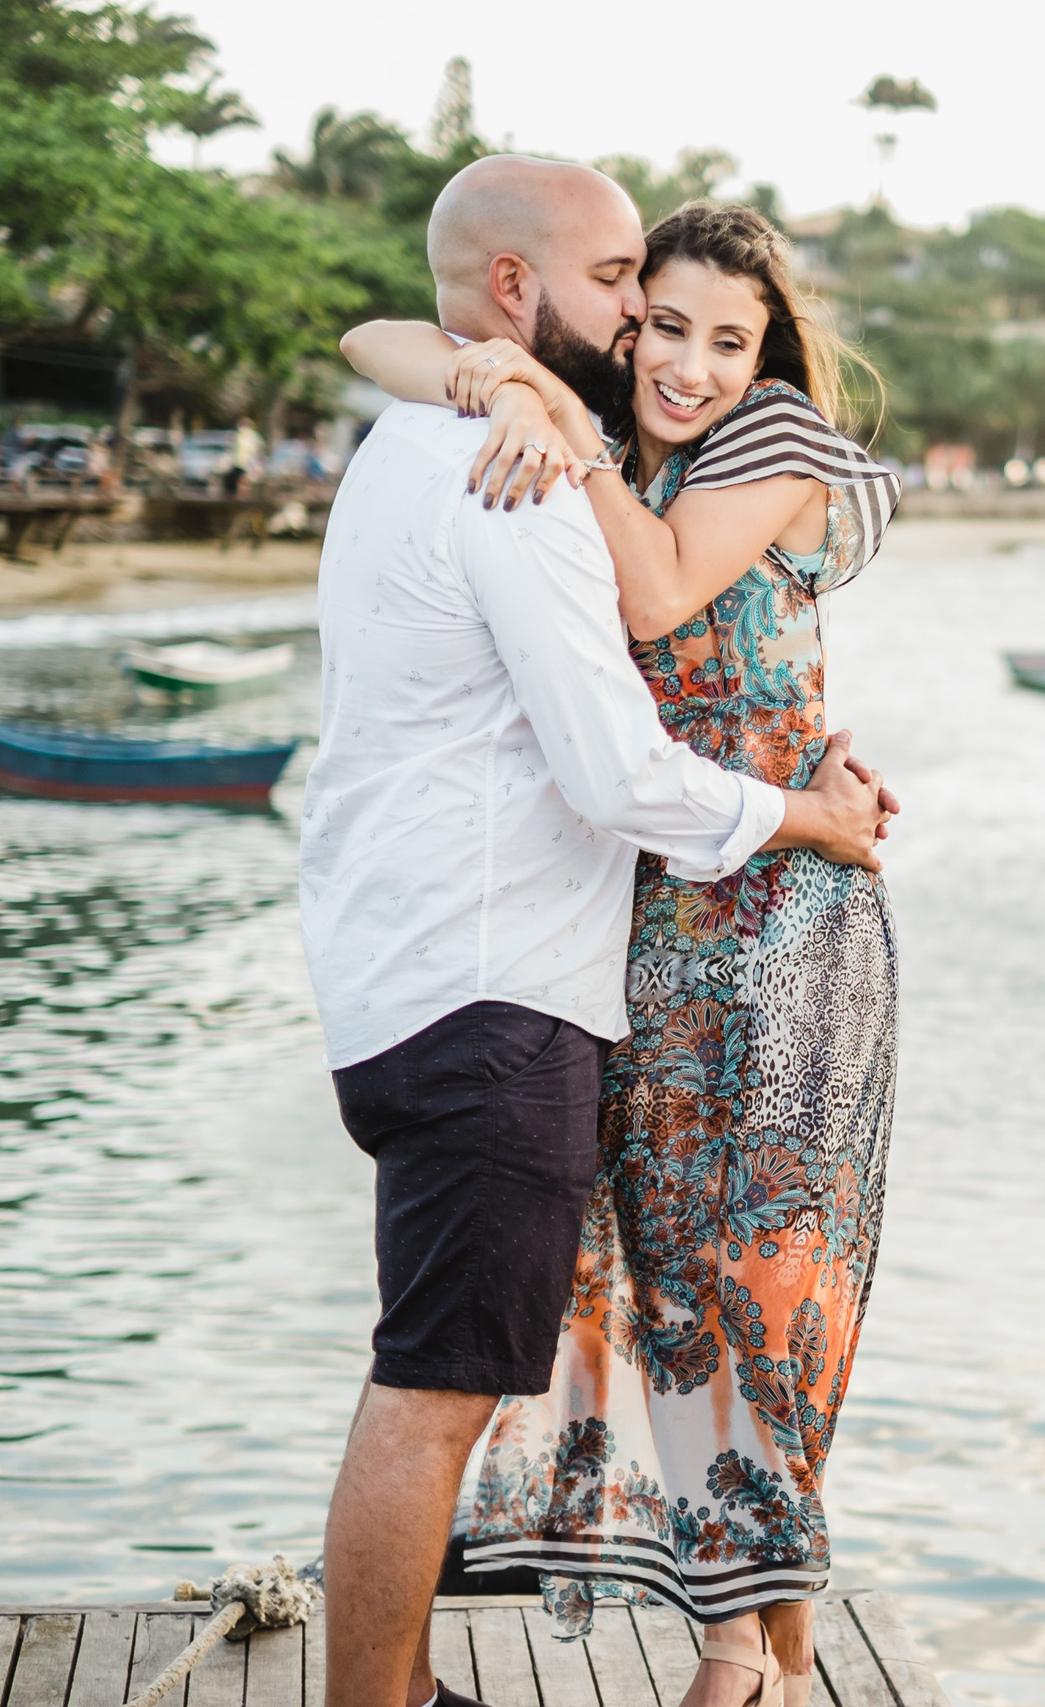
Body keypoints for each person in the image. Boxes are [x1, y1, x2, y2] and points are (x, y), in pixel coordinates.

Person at [300, 157, 897, 1707]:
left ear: (769, 360)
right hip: (623, 927)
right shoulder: (540, 443)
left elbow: (654, 608)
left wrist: (534, 407)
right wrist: (509, 385)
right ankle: (743, 1648)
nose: (665, 341)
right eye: (644, 305)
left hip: (769, 917)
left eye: (716, 333)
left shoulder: (742, 444)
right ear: (542, 300)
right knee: (648, 1289)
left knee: (760, 1287)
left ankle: (749, 1653)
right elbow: (384, 330)